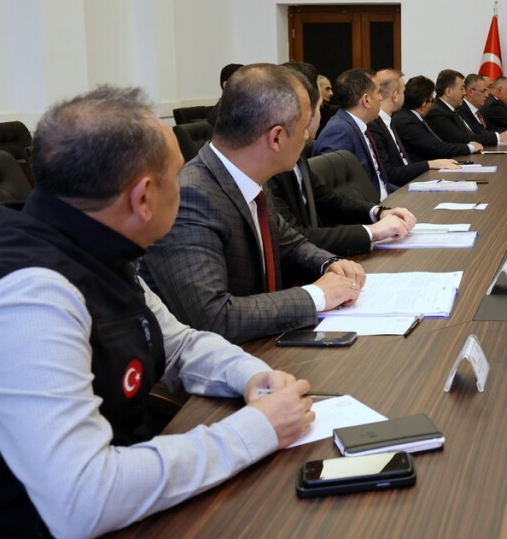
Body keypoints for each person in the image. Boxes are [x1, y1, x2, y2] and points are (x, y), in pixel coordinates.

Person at [0, 87, 315, 539]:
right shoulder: (28, 296)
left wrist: (250, 374)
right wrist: (254, 430)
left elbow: (177, 341)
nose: (185, 186)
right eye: (177, 178)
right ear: (142, 198)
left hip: (105, 526)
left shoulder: (89, 239)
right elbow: (85, 497)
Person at [142, 64, 368, 343]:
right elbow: (213, 318)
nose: (307, 136)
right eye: (302, 128)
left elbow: (288, 243)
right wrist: (316, 295)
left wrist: (329, 264)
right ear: (276, 138)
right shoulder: (192, 197)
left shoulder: (249, 176)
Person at [269, 64, 416, 255]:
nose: (320, 115)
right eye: (319, 107)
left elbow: (327, 198)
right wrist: (371, 232)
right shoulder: (271, 168)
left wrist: (378, 212)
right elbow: (293, 238)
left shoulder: (296, 156)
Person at [367, 68, 462, 184]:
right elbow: (390, 174)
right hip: (401, 189)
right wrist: (430, 164)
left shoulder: (389, 120)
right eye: (403, 92)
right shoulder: (375, 126)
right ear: (395, 96)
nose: (405, 96)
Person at [310, 68, 393, 198]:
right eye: (378, 92)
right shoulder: (339, 131)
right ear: (366, 100)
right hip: (369, 206)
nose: (381, 98)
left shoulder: (358, 126)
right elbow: (336, 193)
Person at [391, 75, 480, 162]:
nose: (433, 105)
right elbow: (436, 148)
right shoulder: (407, 122)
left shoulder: (411, 116)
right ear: (423, 106)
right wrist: (469, 147)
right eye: (432, 101)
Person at [428, 69, 507, 145]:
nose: (464, 92)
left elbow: (476, 132)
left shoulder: (455, 110)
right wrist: (499, 137)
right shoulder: (437, 112)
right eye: (461, 89)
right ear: (448, 92)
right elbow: (461, 139)